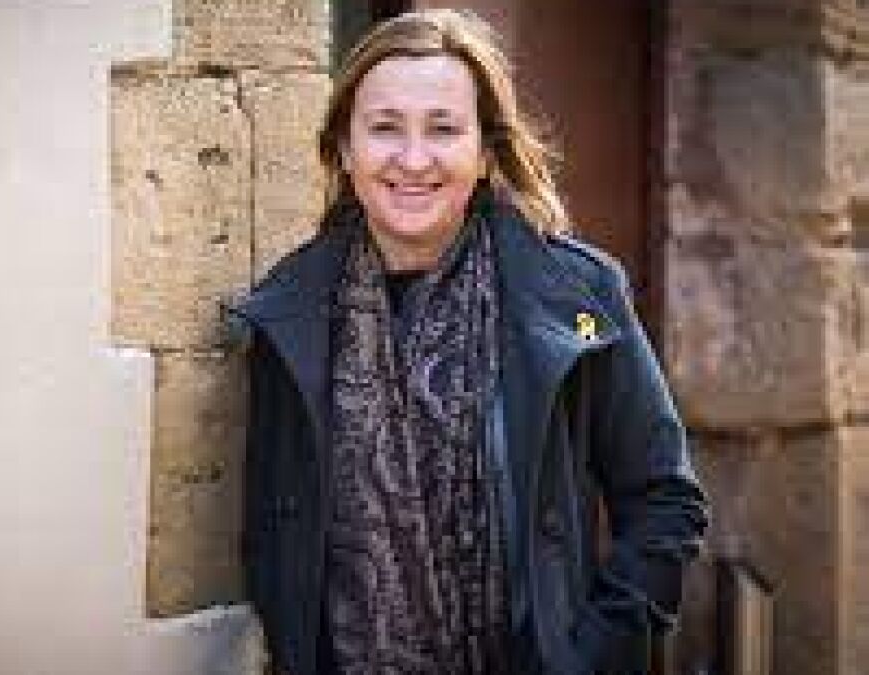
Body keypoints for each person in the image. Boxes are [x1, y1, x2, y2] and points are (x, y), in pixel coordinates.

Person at [231, 9, 708, 675]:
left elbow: (664, 501)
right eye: (385, 128)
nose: (413, 159)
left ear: (485, 152)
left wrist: (596, 654)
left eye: (444, 129)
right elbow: (270, 536)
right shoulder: (287, 315)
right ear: (343, 147)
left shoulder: (577, 295)